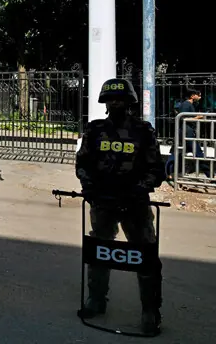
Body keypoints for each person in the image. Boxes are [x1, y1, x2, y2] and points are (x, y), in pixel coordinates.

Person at [75, 78, 165, 335]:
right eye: (111, 99)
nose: (115, 102)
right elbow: (82, 163)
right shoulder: (95, 130)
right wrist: (89, 187)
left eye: (120, 99)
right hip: (103, 202)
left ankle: (150, 310)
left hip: (135, 204)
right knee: (99, 251)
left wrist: (140, 188)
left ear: (129, 102)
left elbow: (155, 168)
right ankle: (96, 300)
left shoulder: (143, 131)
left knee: (145, 256)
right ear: (104, 102)